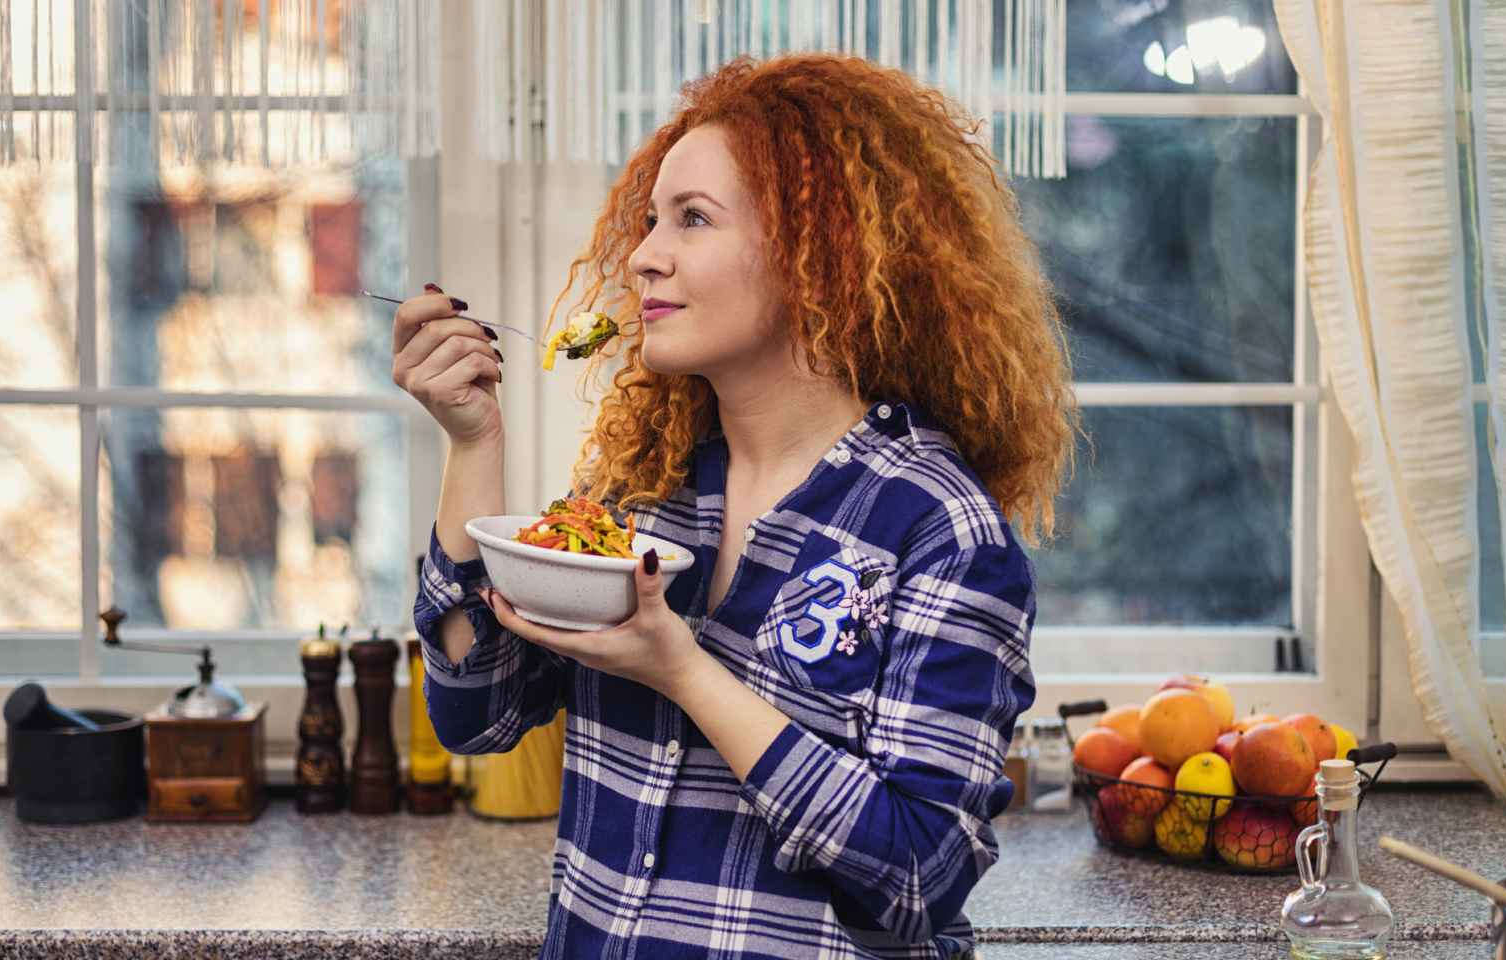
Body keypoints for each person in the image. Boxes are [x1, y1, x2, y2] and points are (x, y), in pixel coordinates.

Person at [397, 53, 1076, 960]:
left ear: (819, 254)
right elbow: (475, 713)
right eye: (650, 220)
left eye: (693, 219)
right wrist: (473, 442)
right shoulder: (638, 494)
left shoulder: (936, 528)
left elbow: (917, 877)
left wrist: (685, 671)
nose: (642, 255)